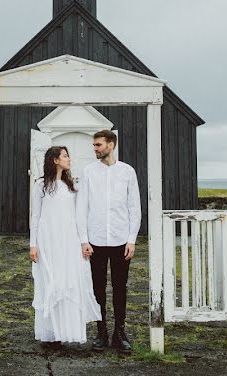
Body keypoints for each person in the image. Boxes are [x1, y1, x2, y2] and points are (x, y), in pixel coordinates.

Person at [29, 146, 101, 348]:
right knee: (50, 281)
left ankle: (67, 330)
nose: (69, 159)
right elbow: (35, 216)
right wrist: (33, 244)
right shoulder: (41, 185)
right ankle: (51, 333)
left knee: (68, 281)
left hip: (68, 240)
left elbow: (79, 217)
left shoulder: (72, 187)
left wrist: (83, 241)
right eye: (65, 156)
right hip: (48, 240)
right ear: (54, 160)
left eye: (68, 155)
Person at [76, 129, 142, 353]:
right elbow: (81, 207)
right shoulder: (88, 172)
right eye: (94, 145)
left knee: (120, 287)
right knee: (97, 288)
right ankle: (101, 331)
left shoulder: (127, 172)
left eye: (98, 145)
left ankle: (120, 332)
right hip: (95, 241)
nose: (95, 149)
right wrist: (84, 240)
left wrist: (131, 240)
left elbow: (135, 208)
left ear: (111, 145)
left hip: (120, 240)